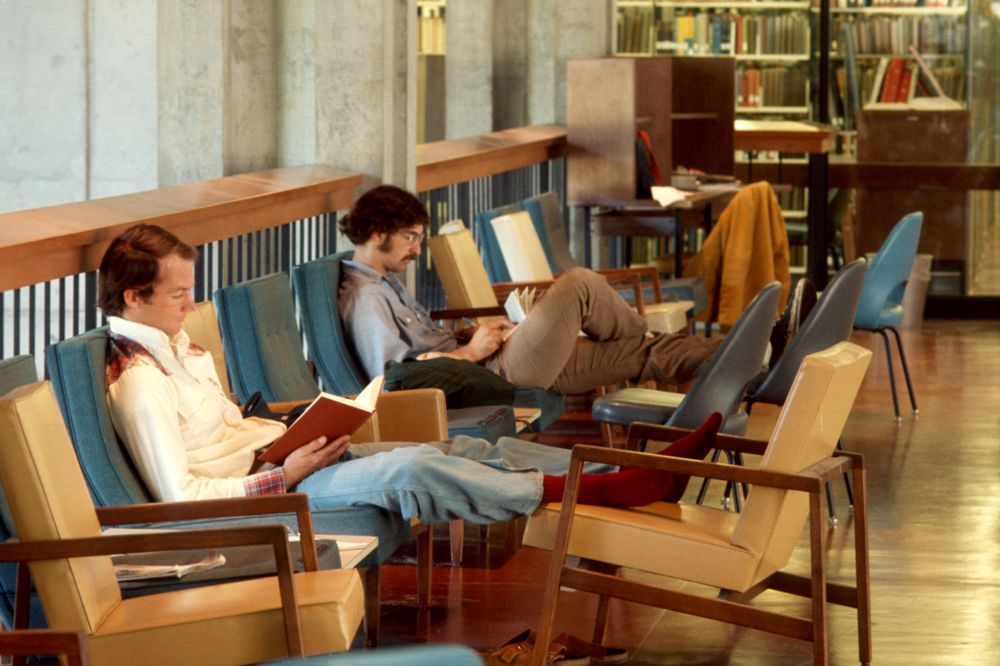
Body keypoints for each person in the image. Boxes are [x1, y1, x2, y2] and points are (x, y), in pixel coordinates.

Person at [100, 224, 723, 526]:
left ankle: (622, 472)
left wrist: (293, 434)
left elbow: (229, 433)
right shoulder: (140, 382)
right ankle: (604, 490)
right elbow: (180, 499)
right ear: (133, 296)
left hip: (282, 463)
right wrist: (283, 473)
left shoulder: (182, 351)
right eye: (179, 294)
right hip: (264, 504)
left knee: (453, 444)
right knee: (410, 468)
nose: (191, 303)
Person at [338, 185, 723, 395]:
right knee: (579, 284)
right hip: (493, 374)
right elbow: (393, 380)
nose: (417, 250)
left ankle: (761, 357)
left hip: (496, 361)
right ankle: (638, 327)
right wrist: (471, 352)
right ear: (376, 233)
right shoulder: (366, 297)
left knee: (648, 351)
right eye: (410, 238)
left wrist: (467, 336)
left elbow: (424, 351)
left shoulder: (384, 282)